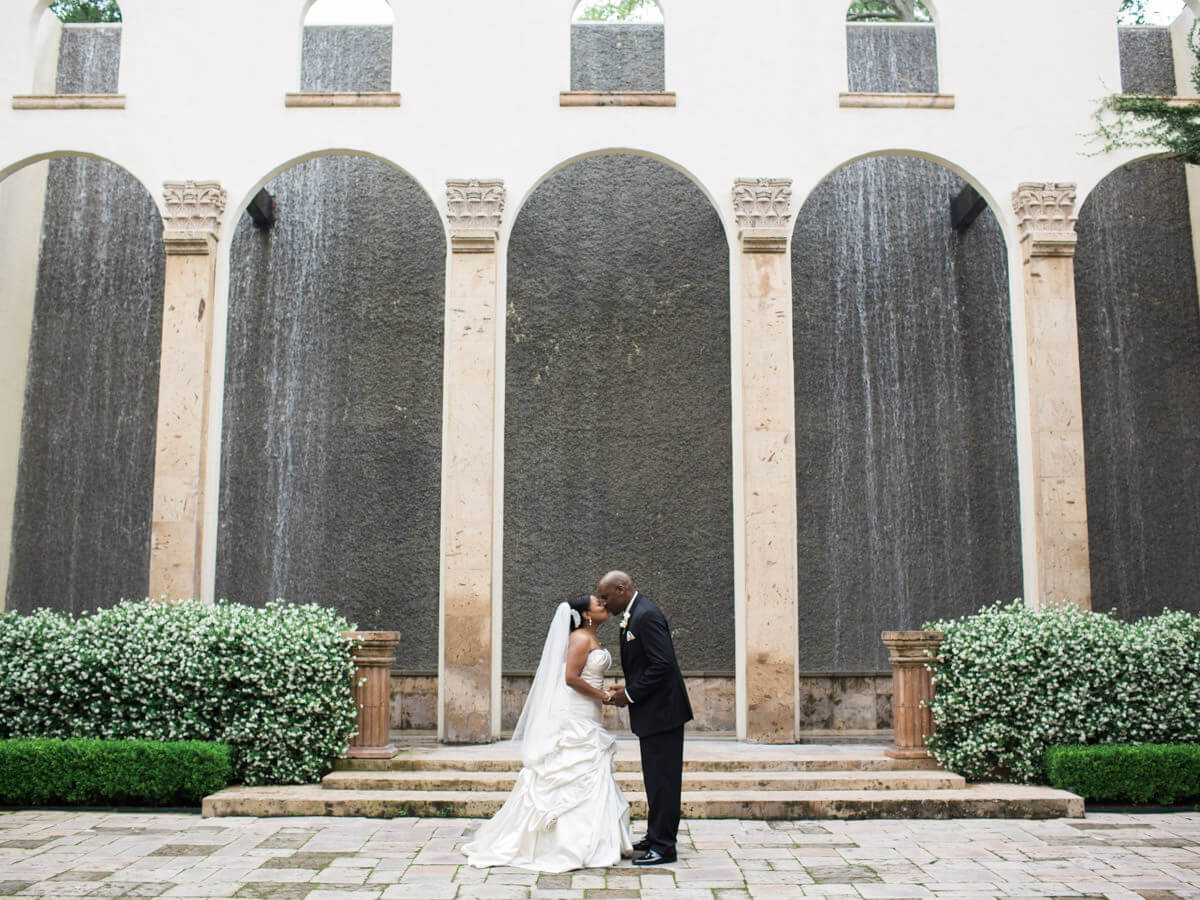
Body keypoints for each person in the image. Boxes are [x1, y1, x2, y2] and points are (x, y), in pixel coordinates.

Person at [463, 594, 633, 872]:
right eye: (598, 604)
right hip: (576, 714)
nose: (603, 605)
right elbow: (571, 678)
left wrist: (609, 689)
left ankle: (594, 838)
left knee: (588, 771)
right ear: (586, 614)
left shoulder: (587, 637)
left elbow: (588, 674)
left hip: (586, 711)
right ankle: (568, 844)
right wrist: (603, 695)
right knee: (573, 768)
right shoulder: (580, 638)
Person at [597, 570, 692, 866]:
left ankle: (664, 847)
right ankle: (655, 836)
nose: (603, 602)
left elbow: (663, 665)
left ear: (622, 589)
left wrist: (631, 694)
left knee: (663, 781)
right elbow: (648, 665)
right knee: (655, 779)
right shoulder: (634, 613)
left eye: (606, 596)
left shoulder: (646, 615)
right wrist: (628, 688)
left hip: (663, 713)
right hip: (654, 713)